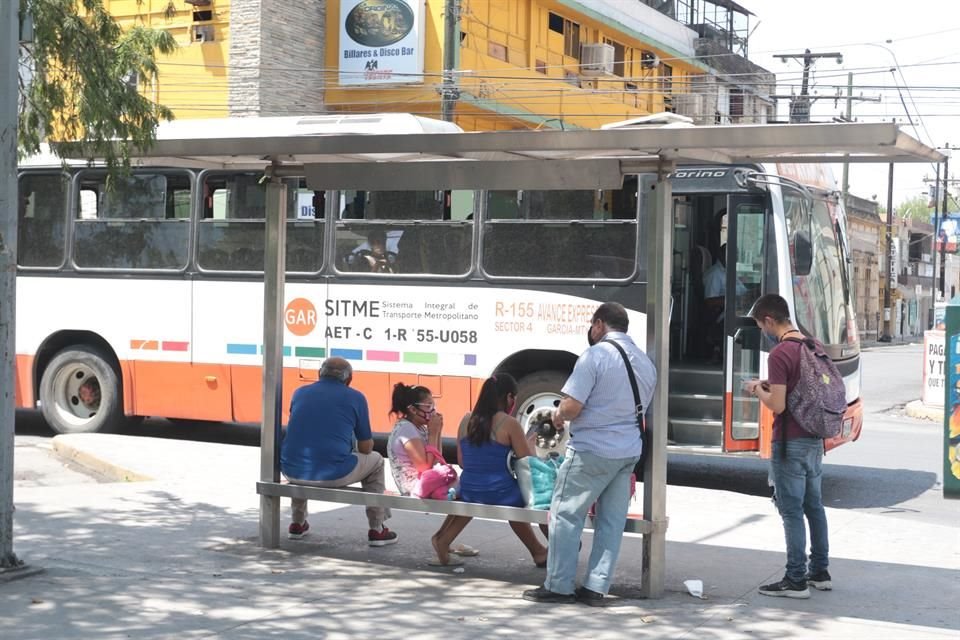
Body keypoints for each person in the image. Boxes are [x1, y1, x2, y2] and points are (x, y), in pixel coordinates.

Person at [523, 302, 656, 606]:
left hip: (591, 451)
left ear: (599, 324)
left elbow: (572, 407)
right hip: (628, 453)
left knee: (565, 514)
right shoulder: (645, 363)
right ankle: (596, 587)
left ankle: (559, 585)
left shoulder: (595, 356)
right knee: (610, 522)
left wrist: (557, 415)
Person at [744, 294, 830, 599]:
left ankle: (796, 580)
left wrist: (756, 389)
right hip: (814, 440)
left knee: (791, 511)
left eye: (760, 325)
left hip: (789, 442)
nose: (762, 331)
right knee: (814, 506)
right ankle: (819, 571)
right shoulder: (813, 345)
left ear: (769, 321)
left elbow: (778, 405)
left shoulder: (780, 353)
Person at [280, 357, 398, 546]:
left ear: (319, 374)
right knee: (376, 460)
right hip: (333, 474)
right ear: (349, 379)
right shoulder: (356, 397)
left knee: (305, 457)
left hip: (291, 471)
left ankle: (297, 523)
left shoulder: (299, 392)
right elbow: (366, 448)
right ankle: (377, 528)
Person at [386, 382, 478, 561]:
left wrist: (436, 432)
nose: (432, 410)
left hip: (426, 480)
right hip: (414, 485)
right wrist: (434, 433)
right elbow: (425, 467)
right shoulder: (406, 429)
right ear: (412, 409)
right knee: (471, 494)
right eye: (428, 406)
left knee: (468, 491)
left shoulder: (418, 427)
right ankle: (442, 540)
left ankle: (443, 537)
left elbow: (437, 458)